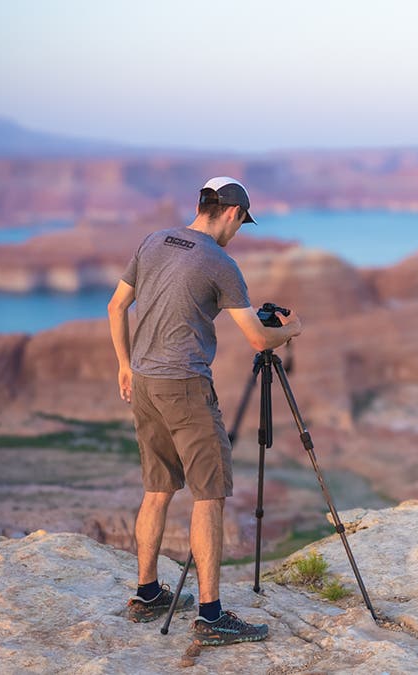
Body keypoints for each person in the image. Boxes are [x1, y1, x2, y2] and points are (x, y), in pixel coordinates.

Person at [107, 176, 302, 646]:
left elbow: (116, 306)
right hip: (186, 387)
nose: (239, 231)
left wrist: (124, 365)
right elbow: (257, 337)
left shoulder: (153, 241)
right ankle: (211, 616)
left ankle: (147, 594)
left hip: (146, 381)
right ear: (232, 213)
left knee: (157, 489)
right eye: (242, 222)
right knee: (208, 494)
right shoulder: (220, 262)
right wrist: (293, 330)